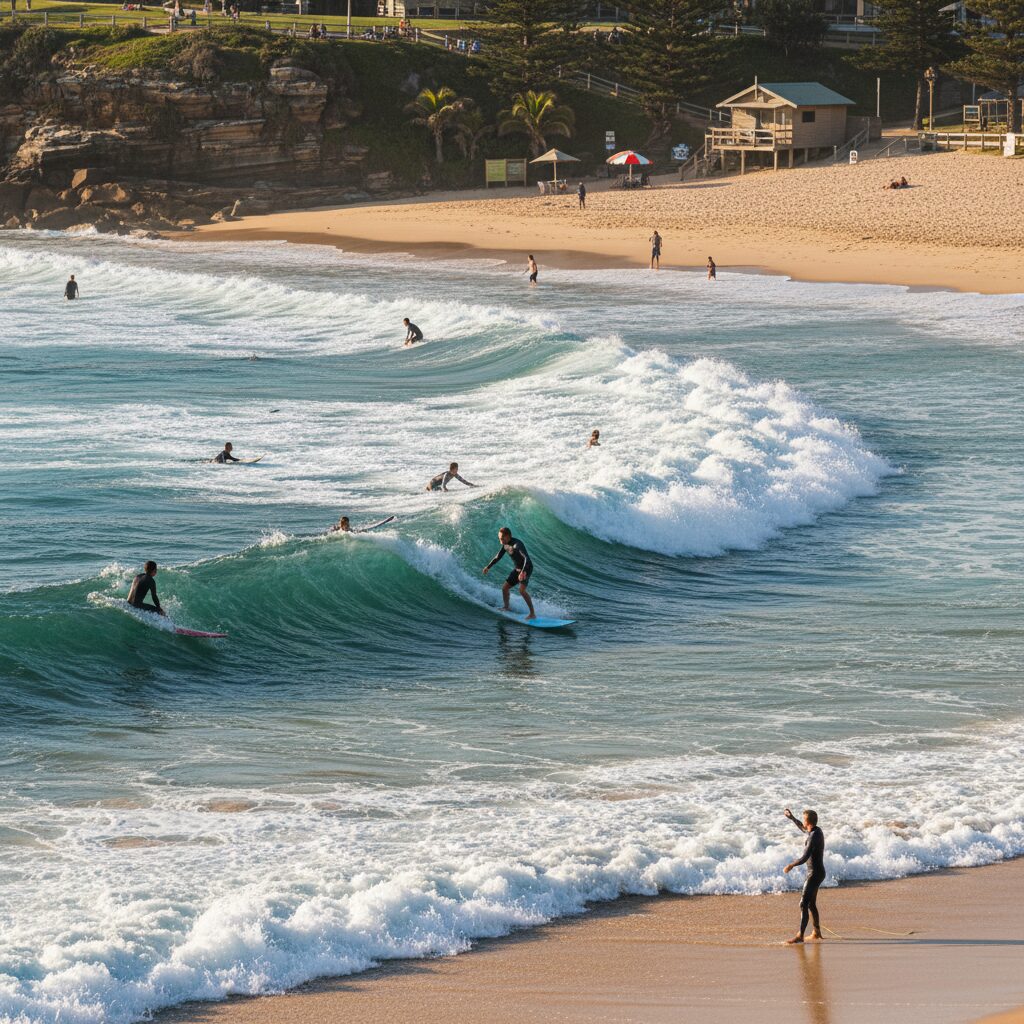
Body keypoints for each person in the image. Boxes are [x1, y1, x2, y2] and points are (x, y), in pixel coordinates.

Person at [783, 807, 826, 944]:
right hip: (818, 873)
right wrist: (792, 818)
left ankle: (800, 935)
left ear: (808, 822)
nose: (802, 821)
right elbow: (802, 828)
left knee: (803, 904)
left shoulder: (813, 837)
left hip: (814, 874)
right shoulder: (816, 831)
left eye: (803, 819)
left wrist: (791, 865)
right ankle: (816, 932)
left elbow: (804, 857)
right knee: (811, 903)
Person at [483, 526, 536, 620]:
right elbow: (497, 557)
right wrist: (488, 567)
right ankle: (506, 607)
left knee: (522, 591)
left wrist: (523, 571)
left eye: (502, 538)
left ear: (508, 536)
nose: (501, 541)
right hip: (517, 569)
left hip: (526, 568)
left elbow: (526, 559)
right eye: (499, 538)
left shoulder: (517, 545)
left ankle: (532, 614)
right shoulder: (505, 544)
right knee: (505, 588)